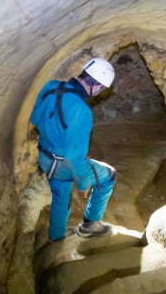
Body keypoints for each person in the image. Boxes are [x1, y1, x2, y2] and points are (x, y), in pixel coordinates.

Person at [30, 57, 117, 242]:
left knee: (61, 196)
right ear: (99, 86)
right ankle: (90, 225)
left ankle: (56, 237)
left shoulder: (50, 86)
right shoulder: (81, 110)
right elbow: (73, 157)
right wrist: (83, 183)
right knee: (109, 175)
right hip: (62, 164)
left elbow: (35, 118)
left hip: (45, 158)